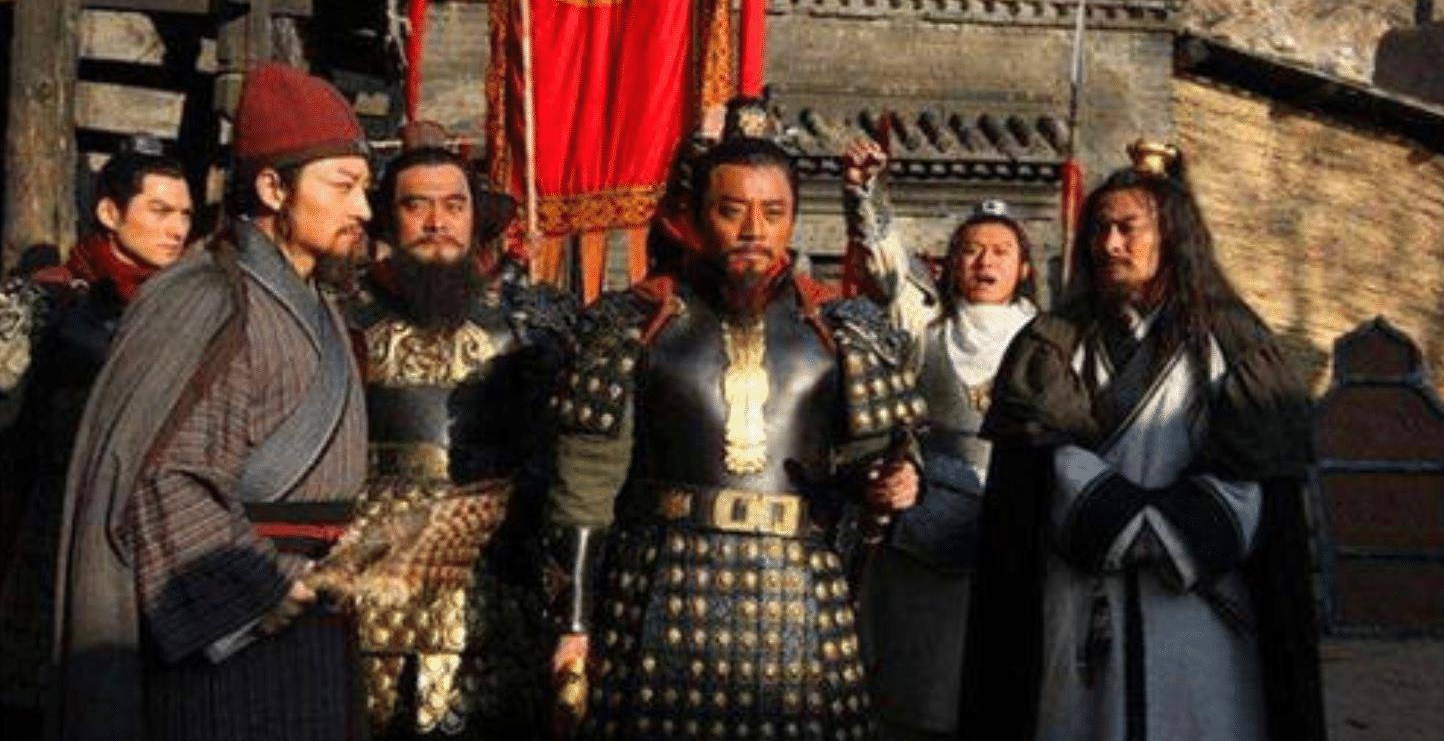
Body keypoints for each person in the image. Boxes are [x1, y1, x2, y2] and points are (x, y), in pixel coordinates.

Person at [543, 100, 923, 741]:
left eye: (772, 213)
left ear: (793, 218)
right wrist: (575, 625)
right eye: (731, 210)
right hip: (662, 585)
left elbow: (875, 459)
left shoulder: (844, 330)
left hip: (798, 593)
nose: (753, 229)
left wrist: (895, 480)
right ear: (696, 217)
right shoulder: (632, 325)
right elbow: (585, 485)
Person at [50, 62, 376, 741]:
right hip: (233, 635)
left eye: (366, 189)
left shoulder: (319, 306)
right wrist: (257, 592)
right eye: (343, 186)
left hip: (314, 623)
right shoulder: (207, 299)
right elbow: (162, 477)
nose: (364, 211)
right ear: (273, 187)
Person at [961, 141, 1325, 741]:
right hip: (1081, 609)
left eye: (1128, 228)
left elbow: (1255, 475)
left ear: (1173, 237)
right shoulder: (1053, 344)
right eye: (1099, 229)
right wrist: (1110, 517)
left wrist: (1160, 530)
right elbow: (1036, 468)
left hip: (1201, 617)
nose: (1109, 244)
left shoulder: (1234, 344)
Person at [344, 124, 574, 738]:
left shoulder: (528, 326)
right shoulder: (344, 319)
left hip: (489, 567)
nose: (436, 222)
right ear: (388, 219)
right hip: (373, 567)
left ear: (475, 218)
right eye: (416, 206)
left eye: (453, 206)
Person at [839, 138, 1037, 741]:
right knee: (917, 696)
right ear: (950, 264)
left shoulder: (1050, 340)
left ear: (1024, 268)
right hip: (923, 526)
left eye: (1000, 251)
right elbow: (887, 270)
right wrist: (865, 194)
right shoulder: (924, 325)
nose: (984, 262)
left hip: (1016, 530)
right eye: (971, 250)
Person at [0, 143, 194, 730]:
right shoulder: (45, 303)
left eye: (185, 215)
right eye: (160, 211)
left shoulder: (185, 309)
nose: (177, 229)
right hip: (47, 525)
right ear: (110, 213)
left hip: (147, 536)